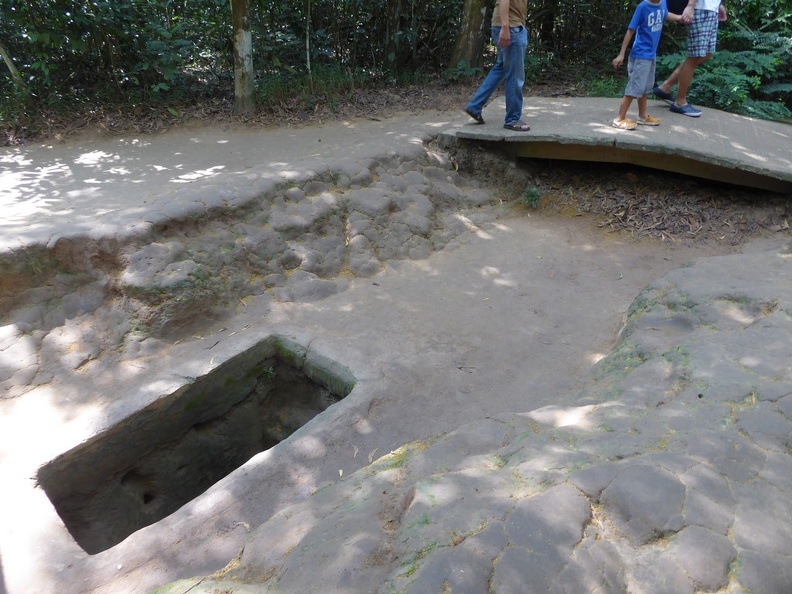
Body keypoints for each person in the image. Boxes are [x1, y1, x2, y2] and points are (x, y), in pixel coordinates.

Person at [612, 0, 682, 130]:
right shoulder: (642, 7)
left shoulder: (662, 3)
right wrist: (621, 54)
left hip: (651, 54)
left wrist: (679, 17)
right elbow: (630, 30)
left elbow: (665, 14)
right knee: (634, 87)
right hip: (640, 55)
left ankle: (643, 116)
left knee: (645, 87)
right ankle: (619, 118)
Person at [464, 0, 531, 132]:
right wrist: (506, 27)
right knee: (515, 76)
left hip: (508, 26)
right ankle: (513, 119)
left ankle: (474, 106)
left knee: (500, 68)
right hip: (510, 28)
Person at [653, 0, 728, 117]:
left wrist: (719, 4)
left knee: (707, 53)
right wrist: (691, 5)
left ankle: (666, 87)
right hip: (700, 9)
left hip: (710, 8)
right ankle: (680, 102)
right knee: (694, 56)